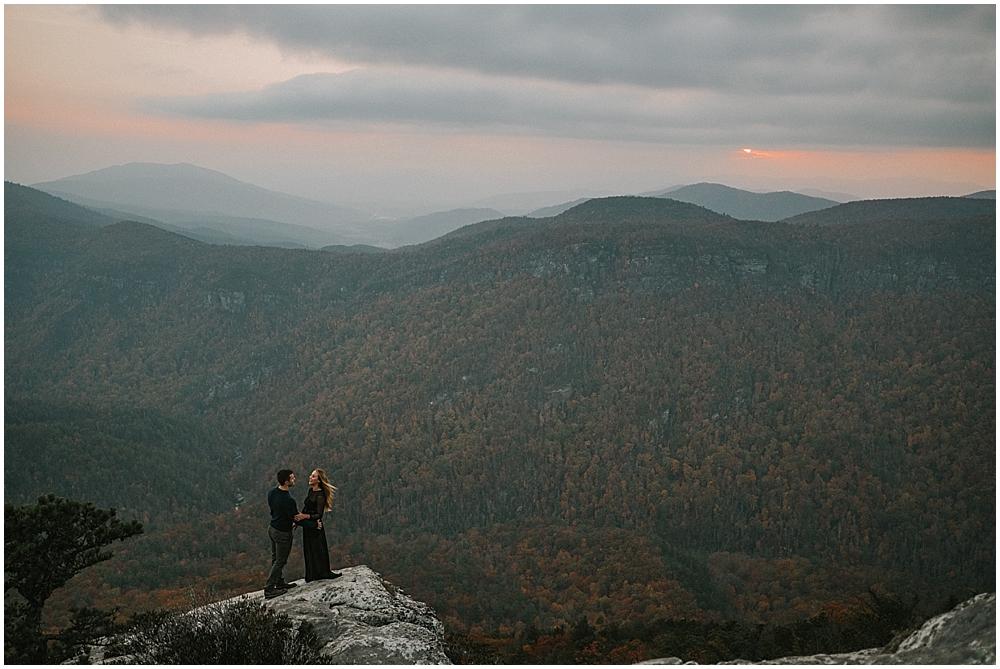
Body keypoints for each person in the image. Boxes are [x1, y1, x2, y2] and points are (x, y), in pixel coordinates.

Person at [264, 469, 311, 599]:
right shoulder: (288, 500)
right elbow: (296, 518)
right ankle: (269, 588)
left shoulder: (272, 492)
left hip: (272, 528)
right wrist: (313, 524)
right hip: (282, 533)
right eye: (292, 478)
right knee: (280, 560)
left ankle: (279, 583)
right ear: (286, 482)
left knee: (275, 558)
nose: (294, 479)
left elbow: (274, 510)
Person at [299, 468, 341, 582]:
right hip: (309, 526)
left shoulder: (320, 496)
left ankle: (322, 572)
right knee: (309, 550)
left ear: (318, 480)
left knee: (318, 550)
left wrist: (304, 517)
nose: (310, 477)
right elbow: (306, 508)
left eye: (313, 476)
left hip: (316, 526)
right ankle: (312, 575)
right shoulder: (311, 491)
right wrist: (298, 519)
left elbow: (319, 514)